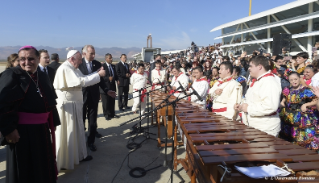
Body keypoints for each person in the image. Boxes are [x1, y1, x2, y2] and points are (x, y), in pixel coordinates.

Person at [0, 46, 60, 182]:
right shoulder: (12, 74)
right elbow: (2, 103)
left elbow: (50, 103)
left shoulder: (43, 76)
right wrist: (9, 129)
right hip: (21, 133)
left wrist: (53, 122)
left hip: (42, 131)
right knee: (24, 171)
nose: (26, 62)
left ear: (38, 59)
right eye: (22, 59)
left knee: (42, 168)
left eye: (31, 59)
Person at [54, 50, 115, 170]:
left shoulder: (74, 67)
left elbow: (84, 77)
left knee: (79, 131)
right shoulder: (66, 68)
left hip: (75, 104)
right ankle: (67, 160)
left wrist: (96, 73)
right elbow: (81, 82)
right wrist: (98, 75)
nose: (81, 61)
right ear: (72, 59)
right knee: (69, 132)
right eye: (79, 59)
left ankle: (79, 155)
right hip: (68, 107)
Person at [235, 56, 282, 137]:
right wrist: (242, 106)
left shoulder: (269, 81)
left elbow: (270, 106)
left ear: (260, 67)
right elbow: (252, 100)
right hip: (256, 126)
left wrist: (248, 108)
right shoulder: (259, 80)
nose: (249, 68)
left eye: (250, 66)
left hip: (265, 128)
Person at [78, 45, 111, 151]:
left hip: (94, 96)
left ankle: (91, 141)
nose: (93, 55)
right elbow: (81, 80)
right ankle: (81, 141)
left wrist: (106, 90)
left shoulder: (97, 64)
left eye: (94, 53)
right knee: (81, 121)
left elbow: (100, 80)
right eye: (91, 53)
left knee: (92, 121)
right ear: (84, 54)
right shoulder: (78, 64)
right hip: (81, 96)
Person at [279, 72, 318, 150]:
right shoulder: (287, 89)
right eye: (291, 80)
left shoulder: (305, 90)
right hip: (289, 116)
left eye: (295, 79)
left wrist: (306, 105)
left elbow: (315, 100)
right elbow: (284, 99)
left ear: (299, 79)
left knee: (302, 138)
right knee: (289, 138)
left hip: (301, 117)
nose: (294, 81)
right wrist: (282, 103)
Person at [100, 53, 119, 120]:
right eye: (110, 58)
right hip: (105, 87)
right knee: (106, 102)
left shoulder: (113, 66)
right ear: (106, 59)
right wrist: (108, 78)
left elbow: (115, 75)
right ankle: (106, 114)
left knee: (112, 101)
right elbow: (101, 78)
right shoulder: (103, 67)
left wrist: (117, 79)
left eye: (112, 58)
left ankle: (112, 113)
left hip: (112, 86)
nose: (111, 59)